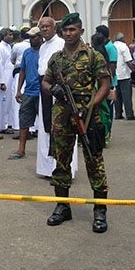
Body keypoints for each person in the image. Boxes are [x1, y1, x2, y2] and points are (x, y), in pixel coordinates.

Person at [42, 13, 111, 233]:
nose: (69, 33)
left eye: (73, 30)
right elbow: (45, 81)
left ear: (81, 31)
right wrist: (53, 89)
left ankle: (100, 210)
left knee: (94, 160)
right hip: (62, 114)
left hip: (88, 114)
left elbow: (104, 85)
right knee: (61, 161)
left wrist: (90, 107)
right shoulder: (56, 58)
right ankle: (63, 206)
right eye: (66, 30)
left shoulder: (92, 56)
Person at [36, 16, 65, 177]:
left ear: (54, 28)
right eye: (42, 27)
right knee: (46, 127)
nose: (44, 29)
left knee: (57, 128)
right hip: (44, 87)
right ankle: (47, 168)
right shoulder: (42, 47)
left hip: (56, 88)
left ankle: (59, 167)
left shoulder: (60, 44)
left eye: (47, 26)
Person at [10, 27, 43, 159]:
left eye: (34, 37)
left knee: (46, 123)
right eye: (30, 37)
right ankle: (21, 149)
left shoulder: (45, 52)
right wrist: (19, 90)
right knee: (24, 122)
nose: (31, 39)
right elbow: (22, 71)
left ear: (40, 38)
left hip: (42, 92)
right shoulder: (27, 53)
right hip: (29, 92)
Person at [112, 32, 135, 120]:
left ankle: (118, 113)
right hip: (124, 74)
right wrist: (134, 69)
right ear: (122, 39)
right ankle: (129, 114)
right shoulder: (123, 46)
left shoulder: (113, 46)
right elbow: (128, 60)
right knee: (126, 95)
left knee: (117, 95)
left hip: (115, 74)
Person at [0, 27, 15, 134]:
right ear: (3, 36)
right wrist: (1, 81)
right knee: (3, 102)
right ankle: (2, 125)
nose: (11, 36)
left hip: (9, 76)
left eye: (11, 35)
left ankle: (9, 122)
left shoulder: (8, 47)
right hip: (4, 77)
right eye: (9, 35)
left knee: (8, 101)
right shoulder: (0, 48)